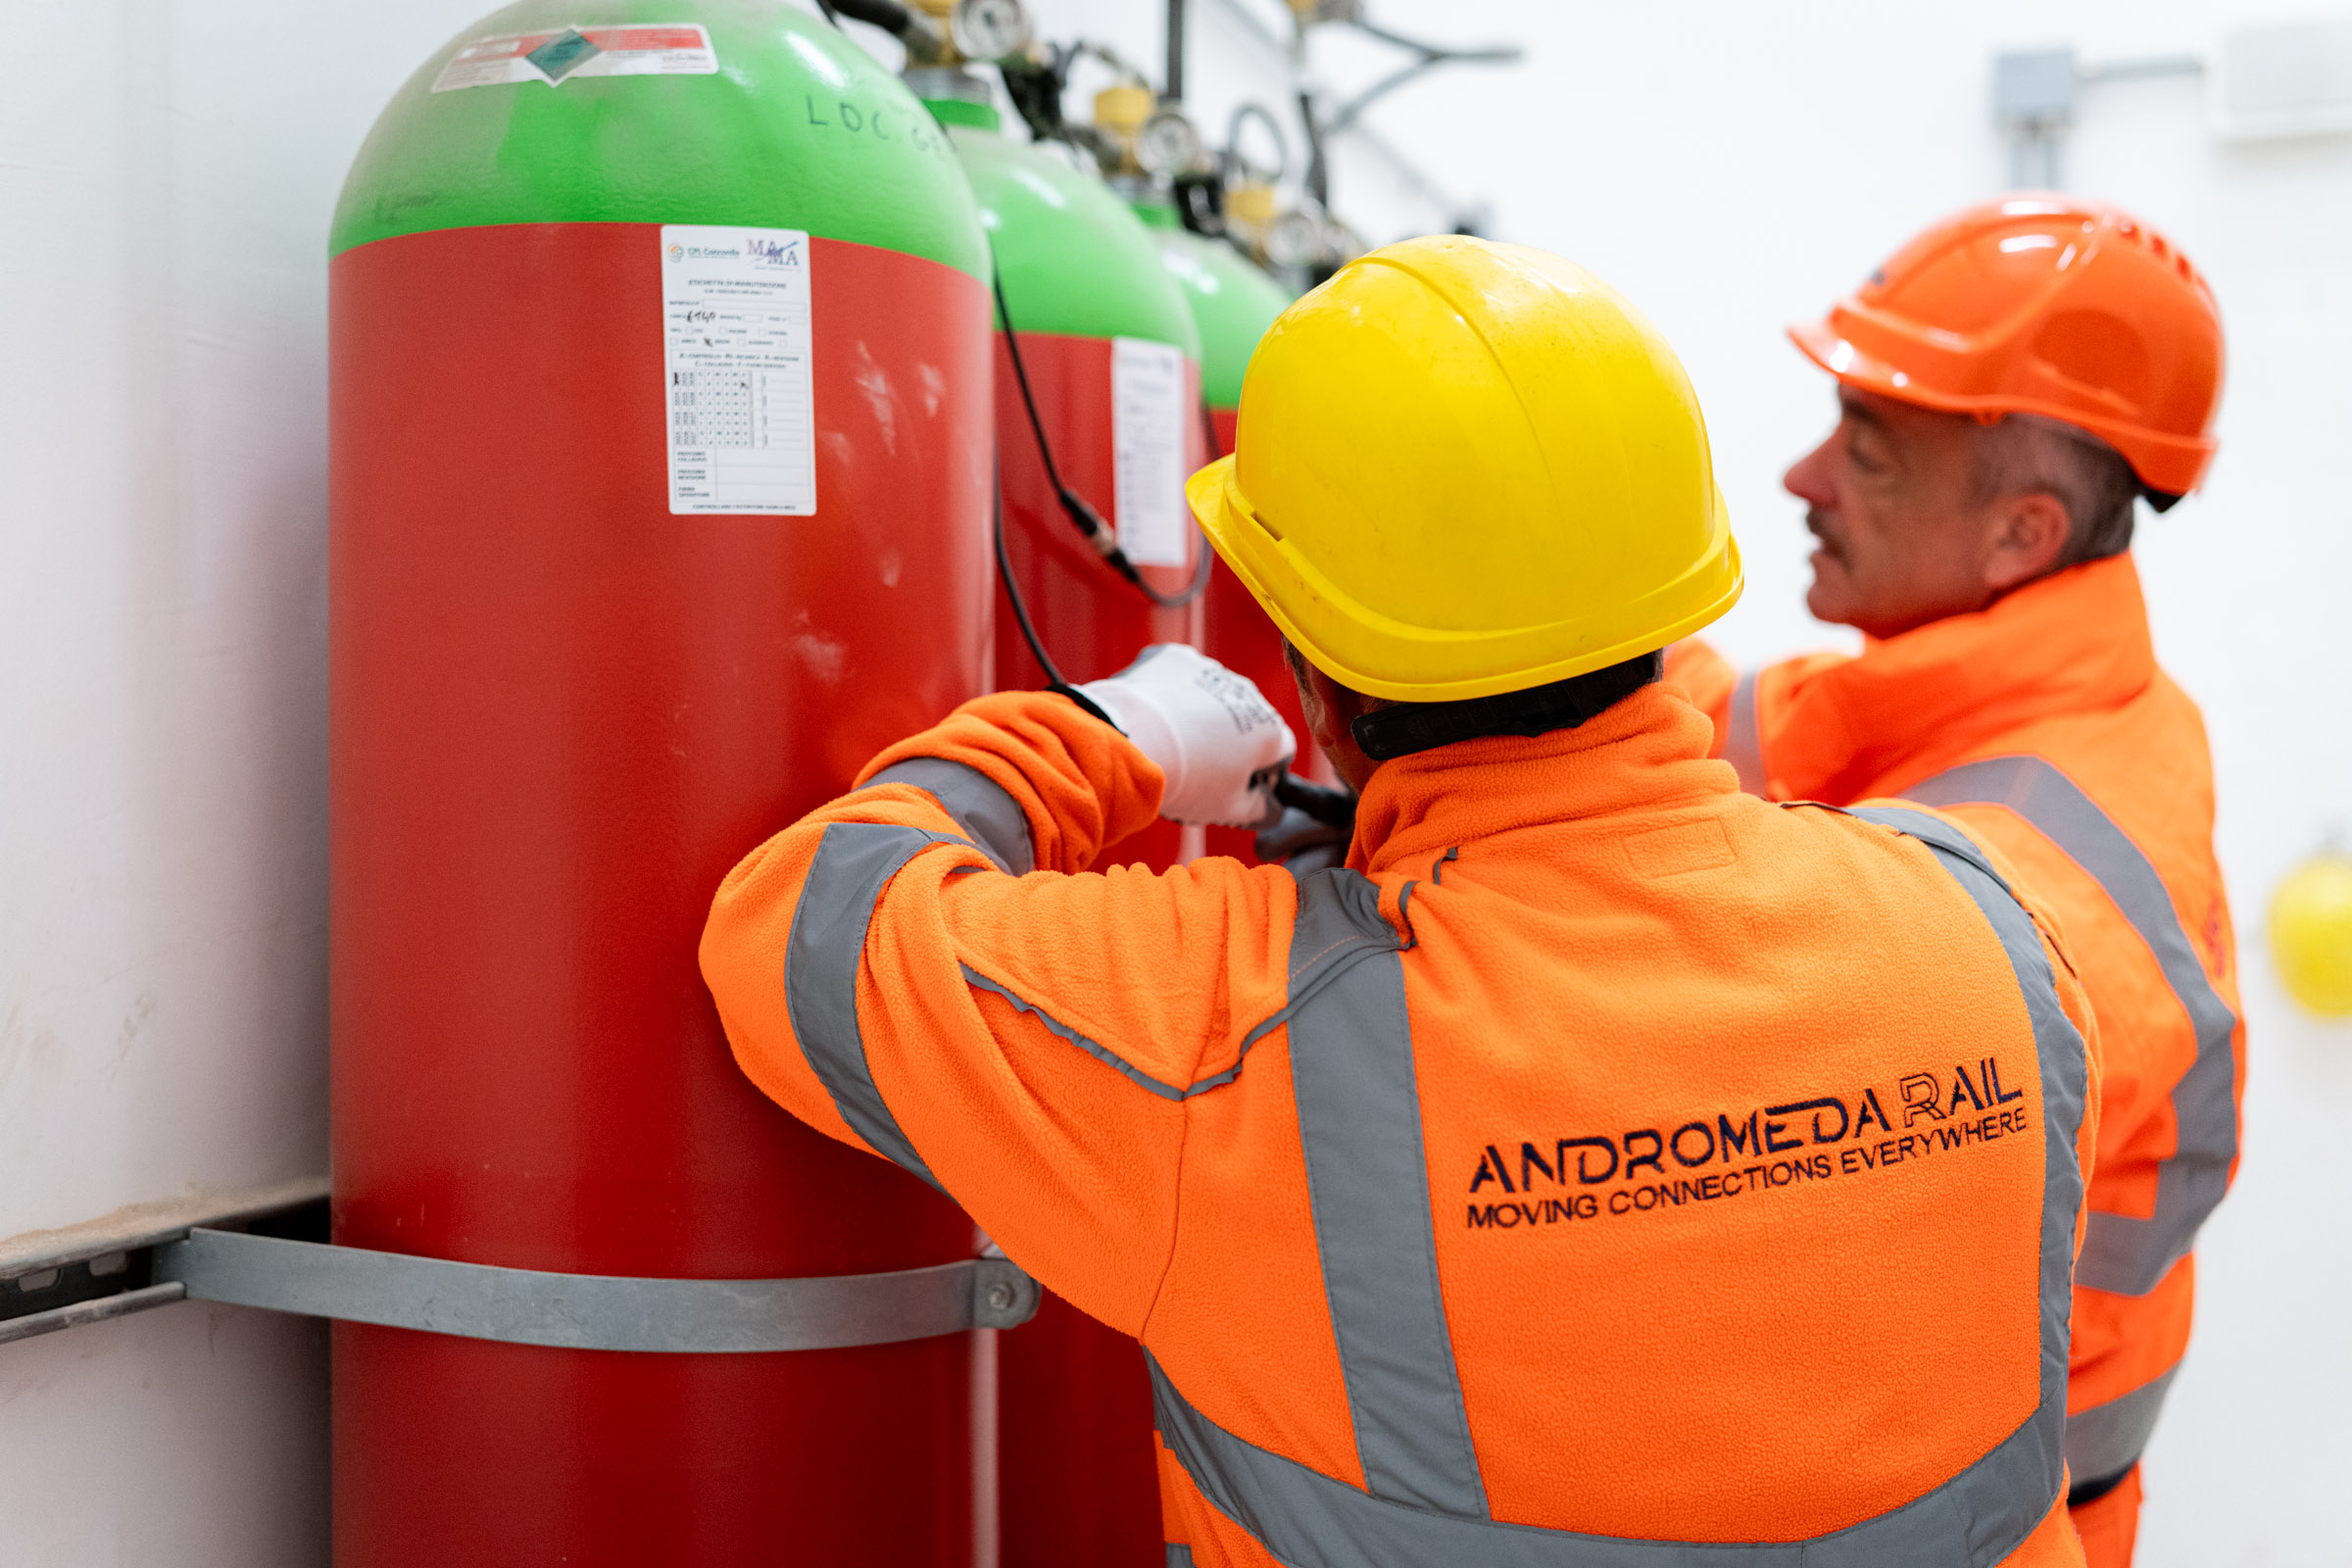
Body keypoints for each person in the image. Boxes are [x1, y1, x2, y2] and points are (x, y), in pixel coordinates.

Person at [702, 235, 2104, 1565]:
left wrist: (1112, 736)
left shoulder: (1222, 1037)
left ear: (1313, 675)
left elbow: (803, 922)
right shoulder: (1993, 930)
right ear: (1672, 607)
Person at [1669, 195, 2240, 1568]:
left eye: (1866, 454)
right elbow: (1716, 729)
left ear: (2020, 536)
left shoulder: (2033, 920)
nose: (1802, 477)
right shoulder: (1987, 693)